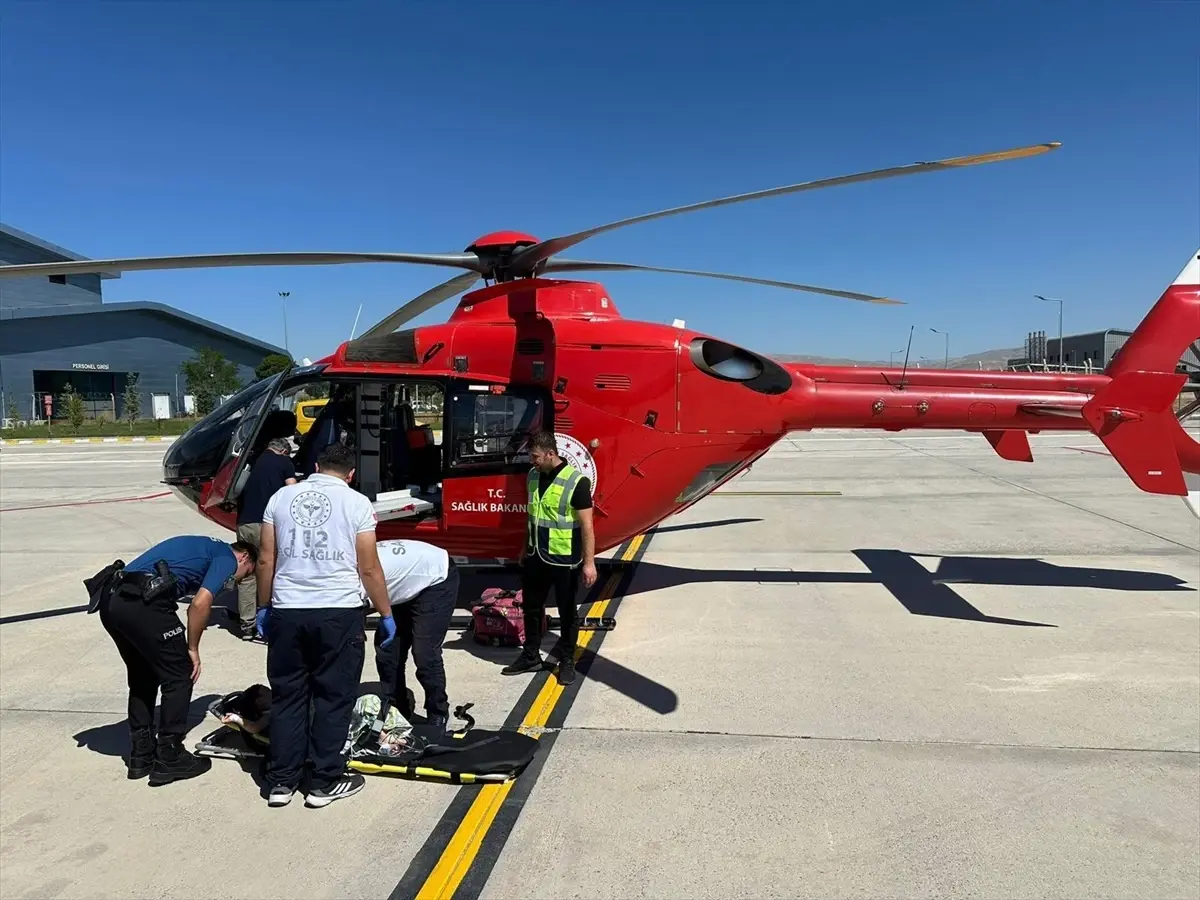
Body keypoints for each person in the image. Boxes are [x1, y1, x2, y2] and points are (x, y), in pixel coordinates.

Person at [255, 442, 395, 809]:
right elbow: (368, 568)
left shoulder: (281, 499)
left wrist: (263, 607)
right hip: (337, 612)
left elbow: (266, 559)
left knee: (288, 696)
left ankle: (281, 782)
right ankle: (324, 780)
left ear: (315, 465)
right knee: (333, 697)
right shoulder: (357, 503)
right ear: (350, 474)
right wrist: (385, 613)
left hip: (288, 610)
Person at [91, 535, 257, 785]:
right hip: (143, 602)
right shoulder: (225, 557)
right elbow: (200, 605)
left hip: (112, 599)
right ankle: (170, 755)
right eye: (245, 573)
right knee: (180, 674)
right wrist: (193, 649)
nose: (237, 579)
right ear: (244, 557)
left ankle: (141, 755)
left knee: (142, 676)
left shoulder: (204, 546)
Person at [500, 430, 598, 685]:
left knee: (567, 612)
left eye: (535, 456)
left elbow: (587, 526)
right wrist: (524, 547)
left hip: (563, 558)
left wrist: (589, 563)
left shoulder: (577, 482)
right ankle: (531, 655)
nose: (531, 460)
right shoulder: (533, 476)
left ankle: (567, 660)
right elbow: (532, 517)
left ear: (550, 453)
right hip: (535, 555)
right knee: (531, 607)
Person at [372, 539, 460, 732]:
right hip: (399, 583)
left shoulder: (354, 583)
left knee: (425, 653)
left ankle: (438, 713)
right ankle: (396, 709)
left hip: (435, 578)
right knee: (387, 652)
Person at [234, 436, 297, 639]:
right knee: (271, 570)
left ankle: (247, 626)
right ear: (284, 451)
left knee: (246, 575)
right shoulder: (284, 462)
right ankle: (271, 619)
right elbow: (292, 490)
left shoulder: (250, 459)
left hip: (244, 523)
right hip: (267, 525)